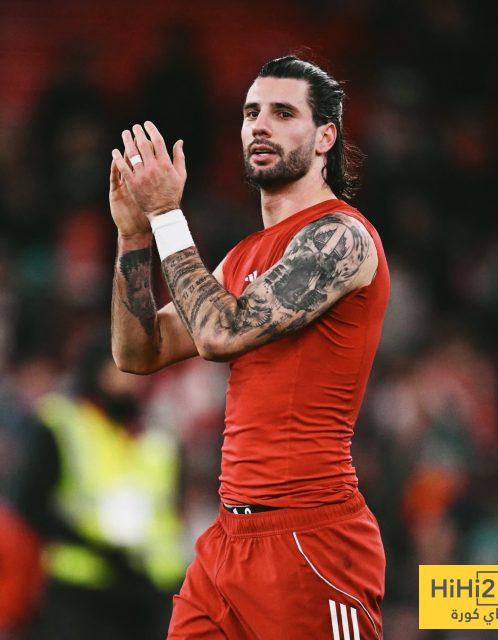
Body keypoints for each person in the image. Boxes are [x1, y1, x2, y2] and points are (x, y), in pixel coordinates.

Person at [110, 55, 390, 640]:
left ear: (325, 137)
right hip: (228, 542)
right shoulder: (243, 257)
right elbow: (138, 352)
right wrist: (134, 233)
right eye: (250, 113)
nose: (260, 125)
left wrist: (166, 214)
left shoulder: (342, 236)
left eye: (283, 113)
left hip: (312, 540)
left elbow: (220, 334)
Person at [10, 336, 185, 640]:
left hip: (149, 591)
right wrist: (97, 549)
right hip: (84, 589)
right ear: (96, 369)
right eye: (120, 367)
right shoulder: (64, 423)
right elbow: (31, 503)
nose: (131, 378)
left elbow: (169, 514)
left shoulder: (158, 438)